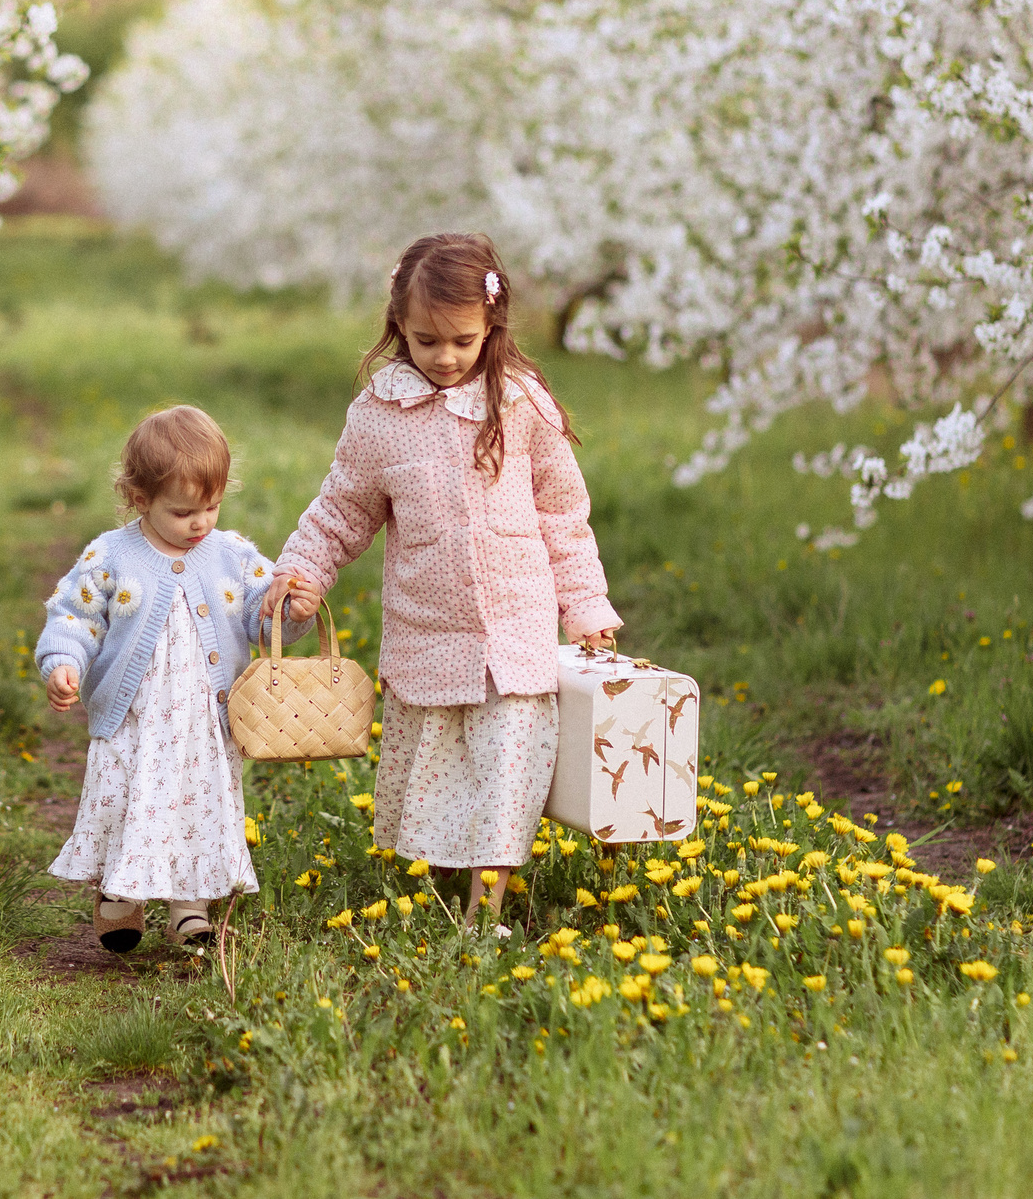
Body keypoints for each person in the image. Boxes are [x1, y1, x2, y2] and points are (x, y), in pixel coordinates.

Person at [265, 233, 619, 920]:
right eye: (427, 341)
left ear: (492, 325)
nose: (446, 357)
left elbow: (562, 512)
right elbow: (343, 508)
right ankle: (450, 891)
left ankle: (485, 915)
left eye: (463, 340)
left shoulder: (521, 405)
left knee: (507, 777)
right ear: (399, 326)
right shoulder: (381, 416)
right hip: (429, 635)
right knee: (445, 779)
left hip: (515, 634)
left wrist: (585, 602)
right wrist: (304, 570)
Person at [36, 405, 274, 952]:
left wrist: (291, 609)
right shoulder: (112, 554)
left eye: (212, 506)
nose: (202, 523)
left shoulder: (232, 556)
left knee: (198, 800)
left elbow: (264, 613)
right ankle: (121, 893)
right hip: (134, 715)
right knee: (124, 792)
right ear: (140, 500)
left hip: (203, 720)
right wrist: (63, 662)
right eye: (185, 511)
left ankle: (191, 904)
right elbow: (74, 613)